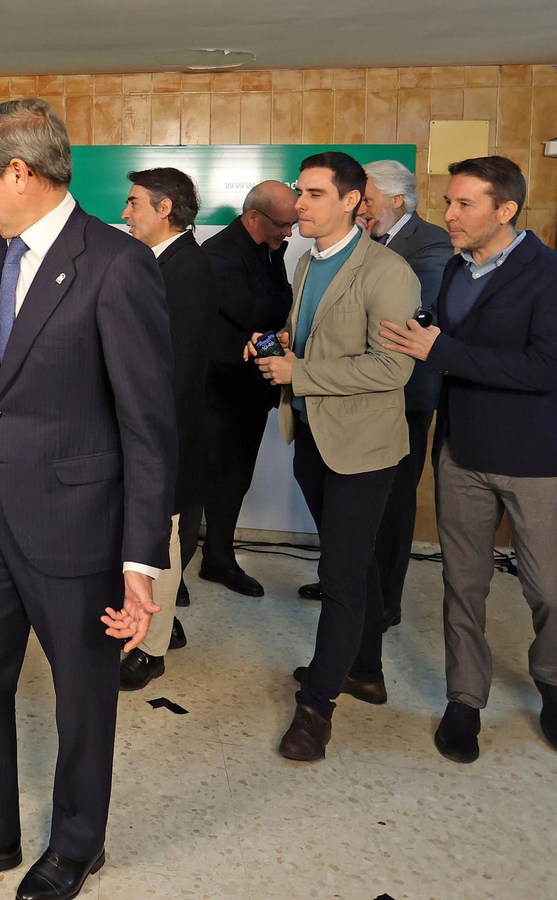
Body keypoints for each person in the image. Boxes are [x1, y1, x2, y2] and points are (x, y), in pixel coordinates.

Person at [0, 99, 175, 900]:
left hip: (78, 524)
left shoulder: (117, 265)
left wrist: (140, 562)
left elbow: (148, 425)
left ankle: (78, 845)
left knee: (83, 698)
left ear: (19, 172)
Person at [379, 156, 557, 763]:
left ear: (506, 210)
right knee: (463, 585)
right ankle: (465, 698)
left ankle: (553, 680)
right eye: (449, 201)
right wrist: (414, 334)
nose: (449, 214)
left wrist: (440, 350)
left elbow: (545, 369)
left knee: (552, 590)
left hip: (535, 458)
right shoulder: (454, 268)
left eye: (464, 204)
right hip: (462, 452)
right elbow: (445, 335)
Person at [249, 152, 418, 762]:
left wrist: (300, 372)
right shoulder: (306, 261)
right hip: (314, 436)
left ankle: (316, 707)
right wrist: (280, 343)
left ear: (352, 201)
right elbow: (314, 336)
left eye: (315, 194)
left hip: (363, 447)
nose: (300, 204)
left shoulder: (388, 271)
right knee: (356, 561)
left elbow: (393, 368)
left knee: (342, 576)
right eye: (300, 191)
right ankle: (364, 669)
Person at [298, 160, 453, 628]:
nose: (362, 208)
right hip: (331, 408)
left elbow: (403, 330)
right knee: (350, 547)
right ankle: (358, 602)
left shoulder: (421, 250)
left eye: (368, 199)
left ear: (396, 200)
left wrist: (301, 368)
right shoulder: (316, 258)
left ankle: (382, 604)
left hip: (401, 400)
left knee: (391, 511)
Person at [116, 166, 216, 691]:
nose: (125, 213)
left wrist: (139, 432)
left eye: (134, 203)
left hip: (163, 434)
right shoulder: (156, 262)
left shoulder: (187, 269)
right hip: (151, 430)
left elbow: (173, 368)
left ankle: (150, 650)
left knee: (163, 540)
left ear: (165, 208)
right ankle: (159, 625)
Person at [195, 181, 298, 599]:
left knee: (235, 479)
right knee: (203, 481)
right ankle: (173, 573)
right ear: (253, 217)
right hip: (217, 391)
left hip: (249, 389)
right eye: (282, 225)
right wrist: (284, 310)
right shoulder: (219, 254)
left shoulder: (269, 249)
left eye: (292, 225)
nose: (288, 233)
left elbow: (277, 305)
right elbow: (257, 310)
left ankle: (218, 558)